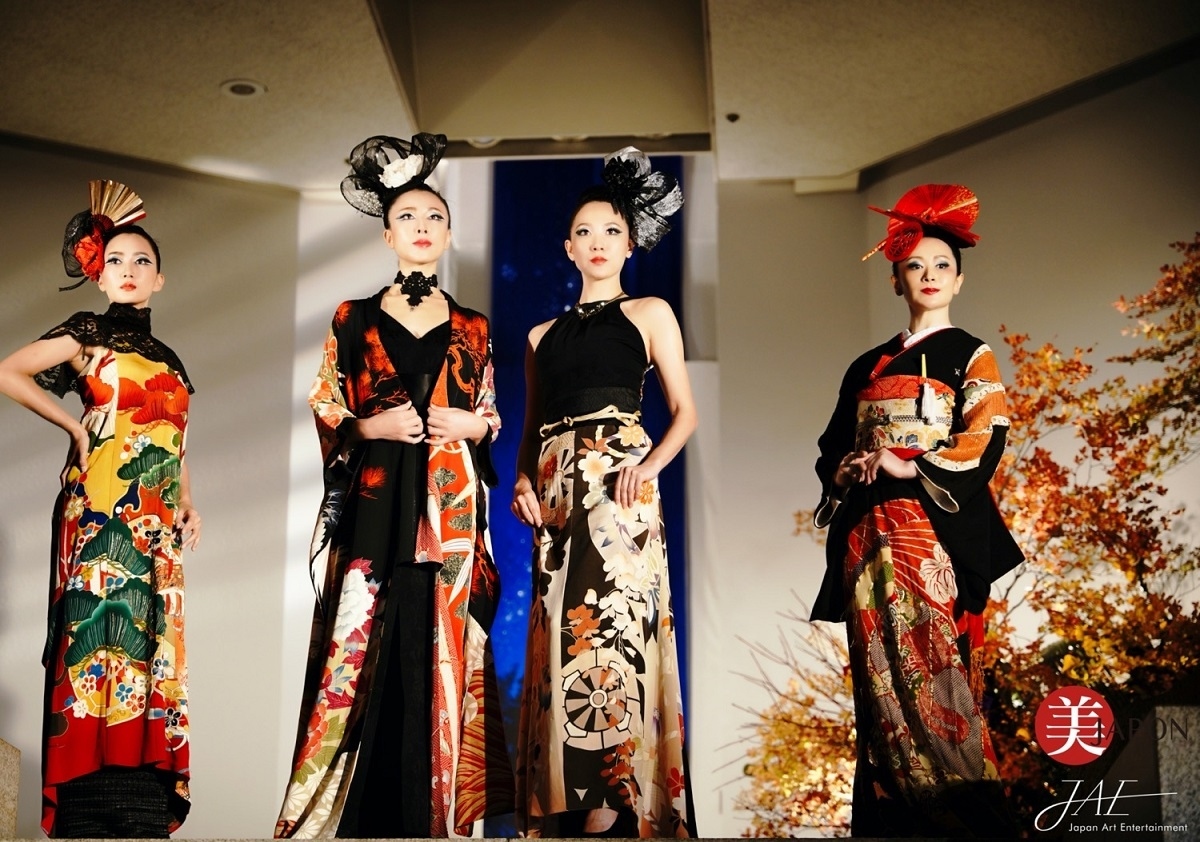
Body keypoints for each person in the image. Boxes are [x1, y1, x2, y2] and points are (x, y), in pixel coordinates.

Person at [274, 133, 514, 838]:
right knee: (363, 650)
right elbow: (325, 404)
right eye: (408, 217)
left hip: (450, 511)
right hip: (378, 506)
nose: (420, 228)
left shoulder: (474, 325)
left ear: (445, 233)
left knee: (433, 655)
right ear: (387, 234)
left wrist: (471, 425)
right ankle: (351, 819)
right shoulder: (352, 317)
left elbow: (492, 415)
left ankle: (428, 817)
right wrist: (367, 429)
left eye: (433, 218)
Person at [811, 184, 1023, 836]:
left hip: (934, 530)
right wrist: (848, 469)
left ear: (958, 278)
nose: (928, 277)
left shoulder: (970, 354)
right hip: (867, 538)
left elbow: (985, 434)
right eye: (915, 267)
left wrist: (910, 463)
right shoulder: (866, 366)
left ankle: (964, 819)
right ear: (898, 277)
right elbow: (833, 449)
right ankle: (893, 817)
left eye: (941, 267)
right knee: (880, 691)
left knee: (941, 672)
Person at [0, 180, 199, 837]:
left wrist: (189, 504)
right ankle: (89, 786)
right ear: (98, 272)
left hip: (157, 527)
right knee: (96, 636)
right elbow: (9, 370)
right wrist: (76, 429)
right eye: (116, 260)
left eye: (142, 261)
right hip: (102, 508)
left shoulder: (171, 360)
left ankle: (140, 783)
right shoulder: (88, 333)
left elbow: (176, 444)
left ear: (160, 280)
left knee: (151, 646)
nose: (129, 270)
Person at [511, 147, 697, 838]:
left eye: (611, 231)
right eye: (585, 232)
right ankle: (569, 804)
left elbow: (686, 414)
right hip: (558, 503)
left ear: (630, 241)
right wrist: (523, 484)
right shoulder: (539, 335)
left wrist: (648, 467)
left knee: (618, 634)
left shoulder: (651, 312)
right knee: (561, 640)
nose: (598, 243)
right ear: (567, 247)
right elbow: (529, 432)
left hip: (620, 494)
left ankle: (613, 802)